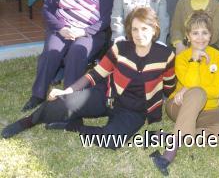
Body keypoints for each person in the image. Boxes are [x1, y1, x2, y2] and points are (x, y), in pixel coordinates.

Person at [2, 8, 176, 150]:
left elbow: (169, 86)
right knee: (63, 102)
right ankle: (27, 122)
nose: (139, 34)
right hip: (107, 97)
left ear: (154, 29)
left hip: (133, 111)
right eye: (135, 29)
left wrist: (173, 101)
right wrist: (67, 91)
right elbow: (96, 74)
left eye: (144, 28)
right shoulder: (120, 48)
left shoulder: (166, 55)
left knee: (111, 142)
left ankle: (75, 126)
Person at [22, 0, 113, 112]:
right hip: (62, 28)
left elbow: (105, 20)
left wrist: (83, 31)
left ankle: (68, 98)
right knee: (51, 52)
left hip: (89, 32)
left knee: (77, 52)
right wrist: (61, 28)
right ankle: (38, 95)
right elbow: (47, 9)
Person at [150, 10, 219, 176]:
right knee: (197, 93)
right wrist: (194, 60)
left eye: (204, 33)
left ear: (211, 35)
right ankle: (169, 154)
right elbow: (193, 86)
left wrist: (190, 88)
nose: (200, 37)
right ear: (187, 35)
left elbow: (216, 92)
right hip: (180, 106)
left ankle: (167, 136)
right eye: (195, 33)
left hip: (209, 110)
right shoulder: (181, 57)